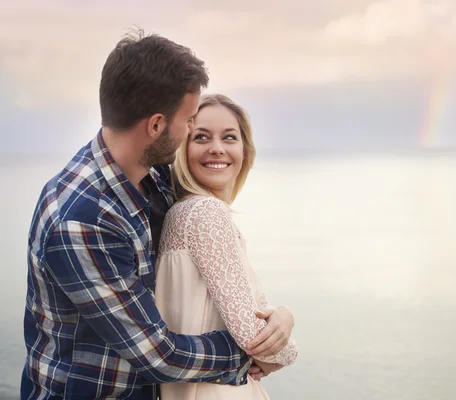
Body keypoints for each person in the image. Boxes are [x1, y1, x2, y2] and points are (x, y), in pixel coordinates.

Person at [20, 31, 292, 400]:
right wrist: (254, 352)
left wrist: (275, 317)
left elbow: (213, 269)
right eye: (189, 121)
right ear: (156, 125)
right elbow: (156, 354)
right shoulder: (81, 220)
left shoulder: (156, 179)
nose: (192, 131)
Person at [154, 94, 299, 399]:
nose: (217, 148)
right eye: (201, 137)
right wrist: (287, 346)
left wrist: (279, 313)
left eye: (229, 137)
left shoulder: (180, 214)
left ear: (245, 150)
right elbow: (254, 340)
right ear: (182, 147)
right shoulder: (206, 213)